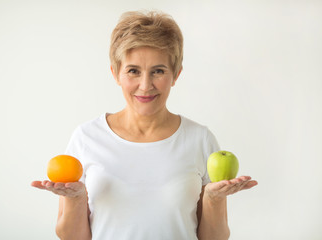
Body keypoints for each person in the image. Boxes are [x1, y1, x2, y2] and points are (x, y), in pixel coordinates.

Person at [31, 10, 258, 240]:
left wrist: (214, 199)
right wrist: (76, 199)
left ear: (176, 74)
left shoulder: (200, 139)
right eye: (133, 71)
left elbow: (213, 238)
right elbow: (72, 237)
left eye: (158, 71)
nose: (145, 85)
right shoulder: (86, 137)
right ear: (116, 73)